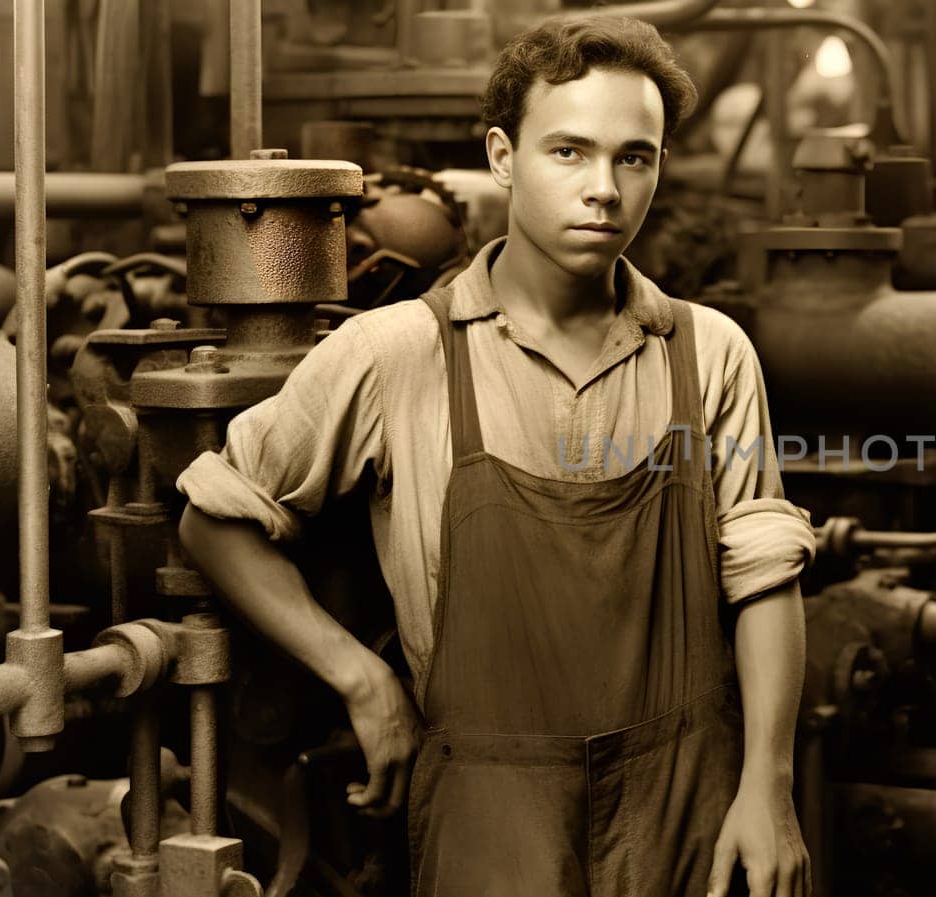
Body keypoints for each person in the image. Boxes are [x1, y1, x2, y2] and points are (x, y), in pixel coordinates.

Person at [177, 16, 816, 897]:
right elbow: (216, 518)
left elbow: (765, 576)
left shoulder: (709, 353)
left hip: (687, 806)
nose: (605, 189)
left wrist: (768, 788)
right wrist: (362, 677)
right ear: (504, 156)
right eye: (569, 152)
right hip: (489, 810)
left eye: (636, 157)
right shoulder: (400, 353)